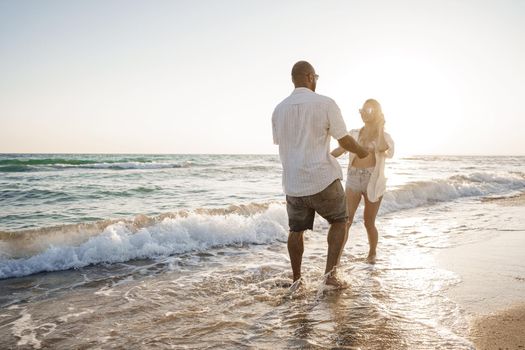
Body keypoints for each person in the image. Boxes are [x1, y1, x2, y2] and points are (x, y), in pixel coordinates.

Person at [272, 61, 369, 288]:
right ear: (308, 77)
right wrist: (362, 151)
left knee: (295, 231)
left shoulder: (278, 109)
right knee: (339, 221)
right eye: (315, 76)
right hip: (322, 179)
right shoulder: (325, 103)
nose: (316, 79)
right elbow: (343, 139)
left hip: (293, 183)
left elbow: (284, 142)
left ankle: (297, 280)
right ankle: (330, 276)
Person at [331, 99, 395, 264]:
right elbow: (341, 149)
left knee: (369, 222)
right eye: (364, 109)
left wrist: (380, 127)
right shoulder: (353, 134)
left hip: (372, 180)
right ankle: (337, 258)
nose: (366, 113)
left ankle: (372, 253)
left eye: (371, 110)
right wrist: (325, 157)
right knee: (346, 221)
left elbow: (381, 148)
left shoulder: (385, 136)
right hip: (353, 178)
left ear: (377, 113)